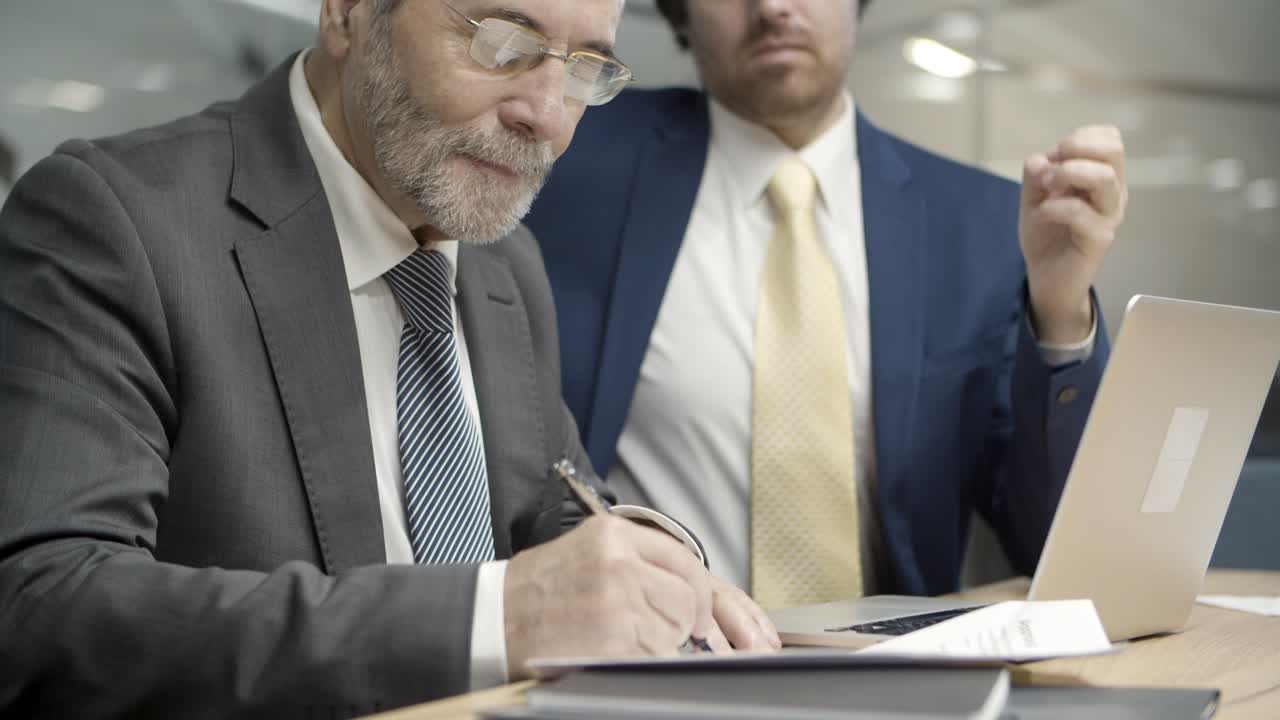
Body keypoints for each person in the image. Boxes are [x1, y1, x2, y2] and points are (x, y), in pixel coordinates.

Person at [0, 0, 778, 717]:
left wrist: (653, 564)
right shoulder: (114, 221)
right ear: (347, 13)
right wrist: (499, 618)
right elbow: (41, 610)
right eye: (504, 43)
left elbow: (548, 496)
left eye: (585, 69)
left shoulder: (507, 264)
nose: (547, 117)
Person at [524, 0, 1128, 608]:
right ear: (680, 13)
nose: (772, 7)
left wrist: (1060, 311)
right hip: (651, 647)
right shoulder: (564, 152)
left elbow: (1052, 547)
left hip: (894, 661)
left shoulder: (979, 225)